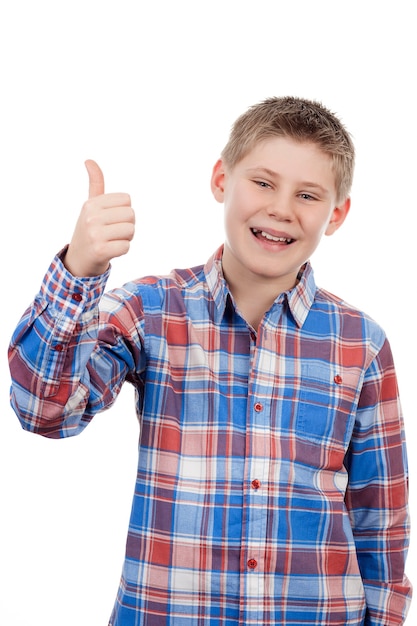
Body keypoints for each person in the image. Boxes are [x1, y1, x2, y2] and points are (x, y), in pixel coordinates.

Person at [8, 96, 412, 625]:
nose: (281, 208)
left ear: (335, 214)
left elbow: (379, 518)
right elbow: (43, 409)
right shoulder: (150, 310)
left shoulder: (362, 343)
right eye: (263, 183)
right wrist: (80, 268)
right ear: (222, 179)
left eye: (307, 195)